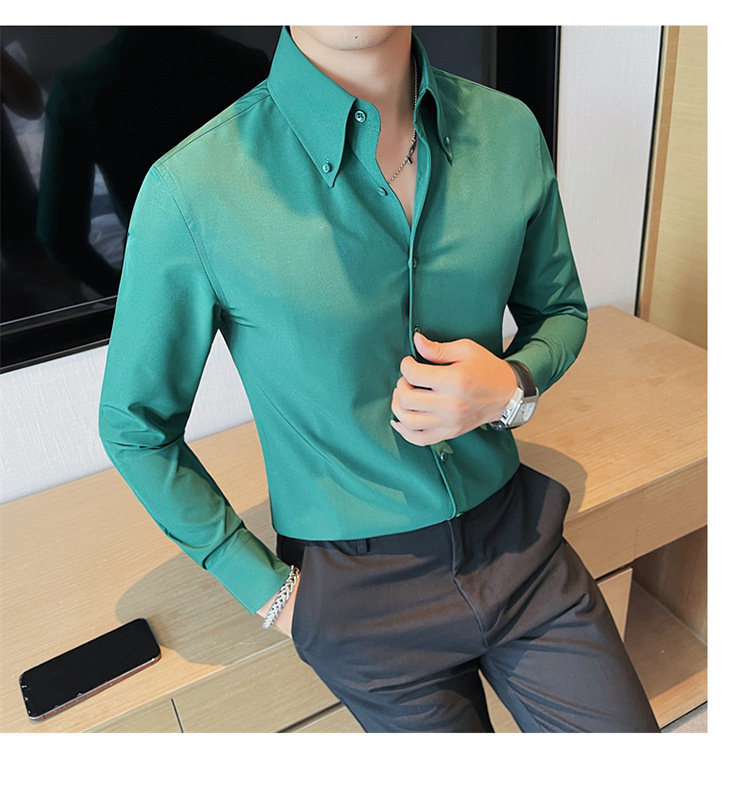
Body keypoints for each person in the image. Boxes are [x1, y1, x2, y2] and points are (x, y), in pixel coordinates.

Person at [99, 25, 659, 733]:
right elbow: (135, 427)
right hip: (358, 590)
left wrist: (514, 387)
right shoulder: (194, 188)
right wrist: (271, 594)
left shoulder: (508, 129)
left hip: (518, 542)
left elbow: (560, 311)